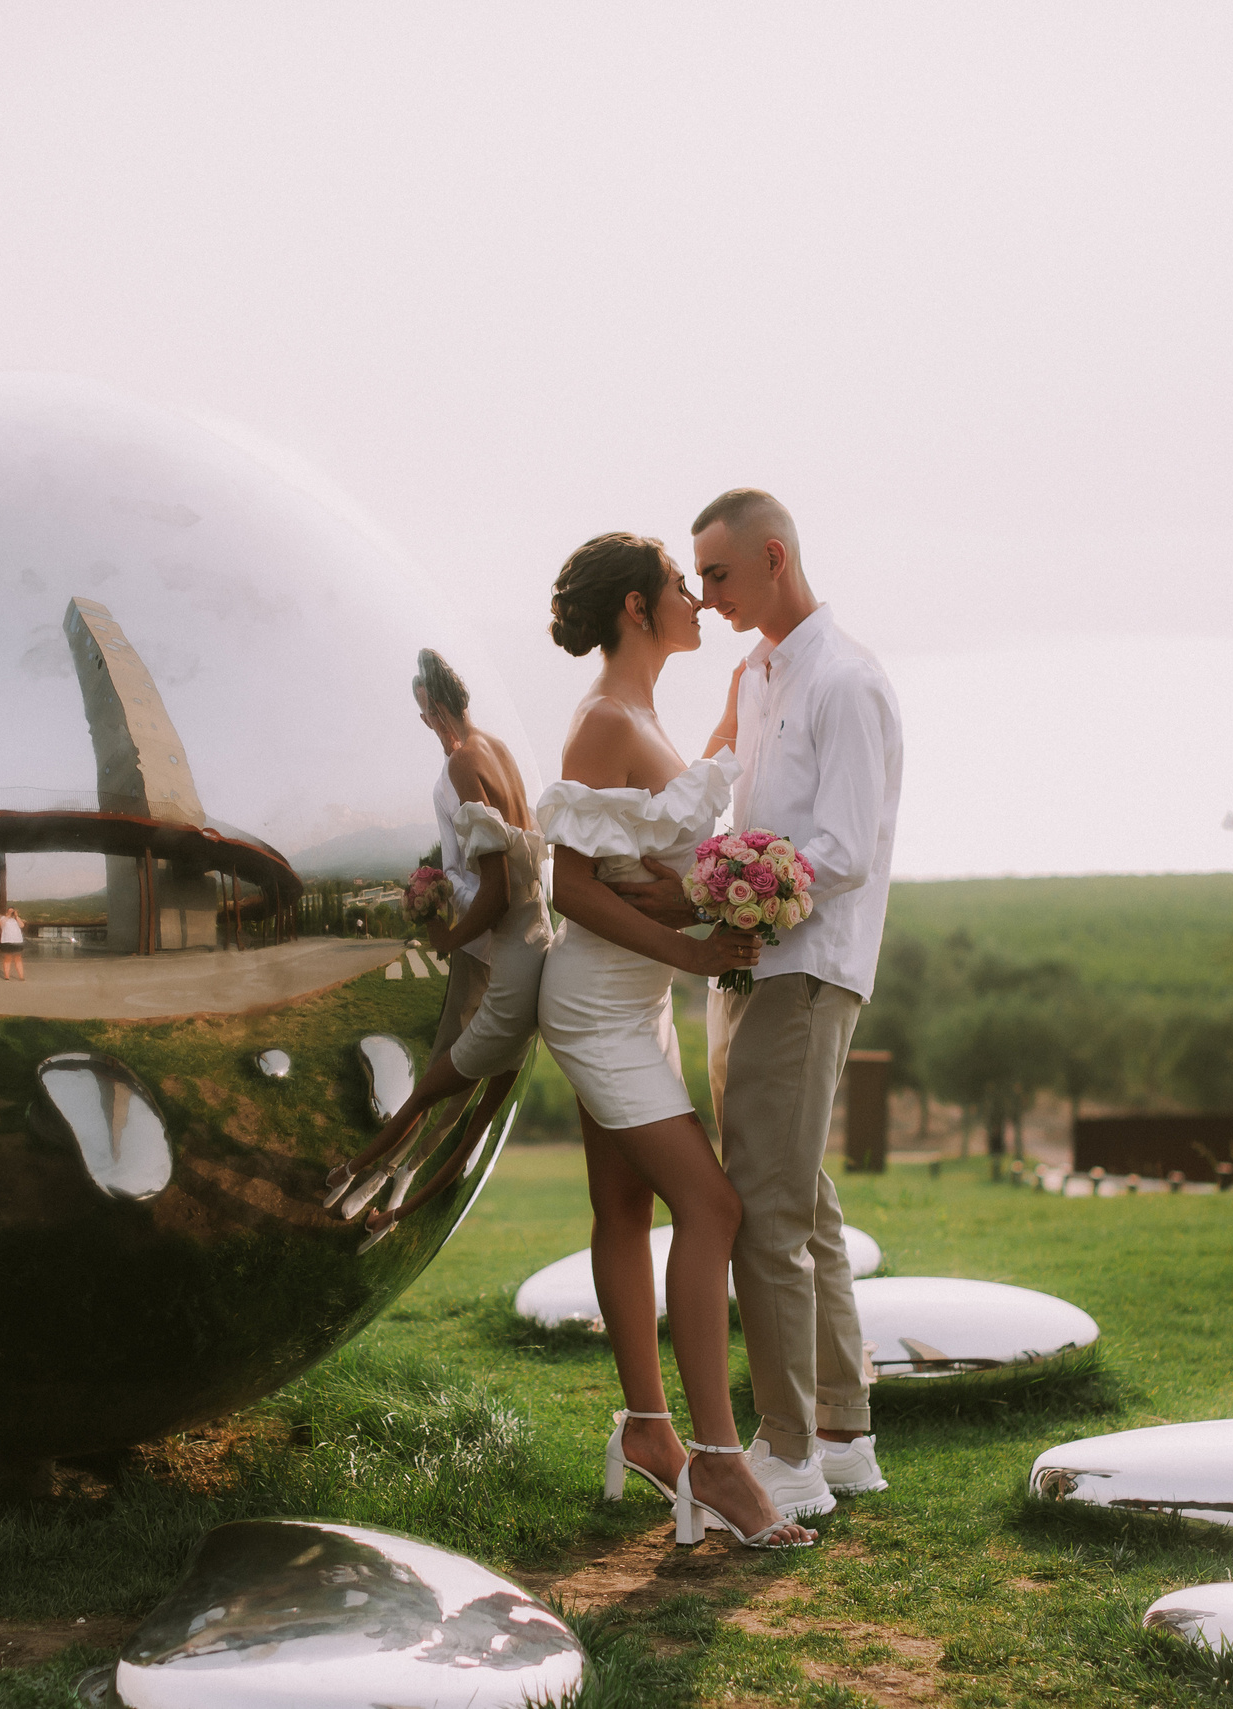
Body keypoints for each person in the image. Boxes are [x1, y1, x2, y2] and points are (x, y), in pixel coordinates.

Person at [613, 489, 903, 1522]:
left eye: (719, 574)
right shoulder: (753, 672)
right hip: (743, 967)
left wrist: (706, 887)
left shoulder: (847, 680)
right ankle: (844, 1432)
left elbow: (846, 849)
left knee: (767, 1214)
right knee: (801, 1196)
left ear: (774, 557)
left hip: (808, 967)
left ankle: (789, 1458)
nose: (704, 593)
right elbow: (723, 793)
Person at [528, 530, 810, 1551]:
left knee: (623, 1205)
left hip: (634, 997)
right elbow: (568, 883)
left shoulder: (642, 713)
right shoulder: (603, 720)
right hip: (600, 1005)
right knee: (713, 1202)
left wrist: (750, 691)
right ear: (638, 609)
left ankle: (650, 1434)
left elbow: (670, 819)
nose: (698, 598)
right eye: (682, 588)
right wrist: (691, 954)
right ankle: (723, 1462)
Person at [325, 650, 550, 1235]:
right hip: (532, 934)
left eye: (422, 710)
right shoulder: (499, 750)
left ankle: (379, 1173)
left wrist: (449, 934)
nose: (422, 722)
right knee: (466, 1081)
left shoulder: (460, 764)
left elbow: (494, 883)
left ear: (435, 707)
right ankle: (402, 1173)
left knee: (443, 1067)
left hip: (488, 940)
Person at [0, 902, 27, 981]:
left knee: (18, 958)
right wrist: (8, 915)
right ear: (6, 912)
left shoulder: (16, 919)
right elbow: (1, 924)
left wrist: (16, 916)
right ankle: (7, 976)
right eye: (9, 911)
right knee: (8, 957)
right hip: (7, 941)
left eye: (12, 911)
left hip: (17, 941)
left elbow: (22, 925)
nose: (11, 913)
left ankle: (21, 976)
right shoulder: (2, 918)